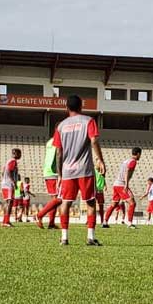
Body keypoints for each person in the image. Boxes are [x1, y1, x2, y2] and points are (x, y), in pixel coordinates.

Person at [53, 95, 106, 245]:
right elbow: (94, 140)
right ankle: (90, 237)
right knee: (90, 202)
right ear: (81, 106)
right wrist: (100, 159)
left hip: (68, 171)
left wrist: (59, 174)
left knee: (66, 203)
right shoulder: (88, 121)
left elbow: (58, 152)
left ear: (67, 108)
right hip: (84, 170)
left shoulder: (61, 126)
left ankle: (64, 238)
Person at [104, 147, 141, 228]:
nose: (140, 156)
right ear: (138, 154)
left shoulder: (126, 160)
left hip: (116, 184)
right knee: (132, 203)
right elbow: (127, 171)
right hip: (121, 184)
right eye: (140, 154)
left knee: (114, 204)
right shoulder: (133, 161)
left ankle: (105, 222)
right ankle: (129, 223)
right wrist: (126, 184)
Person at [36, 138, 60, 229]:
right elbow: (58, 155)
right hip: (54, 173)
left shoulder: (49, 141)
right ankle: (39, 215)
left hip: (48, 172)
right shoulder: (59, 140)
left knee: (55, 199)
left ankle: (51, 223)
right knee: (59, 199)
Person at [0, 148, 21, 227]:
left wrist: (4, 179)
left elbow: (3, 171)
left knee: (7, 202)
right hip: (9, 184)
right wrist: (13, 182)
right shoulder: (13, 161)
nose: (20, 155)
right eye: (19, 154)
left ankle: (4, 221)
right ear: (15, 154)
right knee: (10, 202)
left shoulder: (8, 161)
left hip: (4, 183)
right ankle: (6, 221)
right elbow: (9, 171)